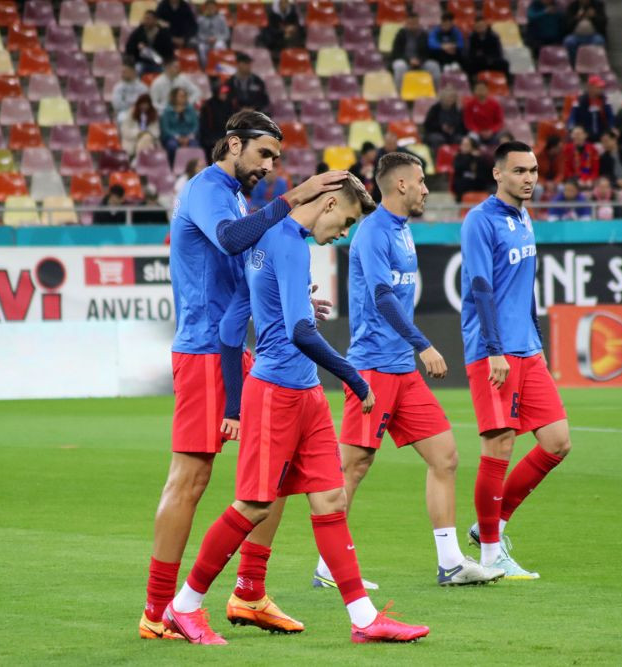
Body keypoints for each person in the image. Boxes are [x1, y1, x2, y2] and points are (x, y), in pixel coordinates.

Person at [166, 171, 431, 646]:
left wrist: (236, 394)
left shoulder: (271, 238)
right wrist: (352, 376)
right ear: (329, 205)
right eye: (346, 220)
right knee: (252, 505)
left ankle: (365, 620)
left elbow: (233, 327)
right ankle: (183, 607)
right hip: (277, 393)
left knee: (330, 500)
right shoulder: (289, 243)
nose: (345, 232)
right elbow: (299, 334)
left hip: (303, 391)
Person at [140, 109, 351, 641]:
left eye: (277, 159)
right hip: (207, 350)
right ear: (232, 144)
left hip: (240, 350)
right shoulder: (208, 189)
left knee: (275, 472)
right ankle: (157, 610)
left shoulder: (236, 198)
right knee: (190, 479)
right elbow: (233, 241)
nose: (271, 166)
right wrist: (296, 195)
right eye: (264, 154)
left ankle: (250, 591)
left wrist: (291, 300)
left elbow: (245, 271)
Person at [315, 152, 506, 590]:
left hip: (401, 370)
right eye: (420, 181)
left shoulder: (402, 232)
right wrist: (424, 344)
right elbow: (383, 298)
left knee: (445, 456)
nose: (425, 188)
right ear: (400, 185)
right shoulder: (372, 233)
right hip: (374, 368)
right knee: (353, 467)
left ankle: (451, 562)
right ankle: (329, 567)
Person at [460, 140, 572, 580]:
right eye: (520, 171)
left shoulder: (525, 218)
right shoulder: (479, 221)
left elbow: (524, 288)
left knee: (557, 441)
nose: (529, 179)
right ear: (498, 174)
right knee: (499, 446)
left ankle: (491, 524)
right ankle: (490, 554)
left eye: (534, 171)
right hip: (494, 353)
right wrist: (494, 349)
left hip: (527, 349)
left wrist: (536, 339)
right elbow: (481, 288)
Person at [390, 13, 441, 92]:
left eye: (415, 23)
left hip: (420, 62)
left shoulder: (424, 35)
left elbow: (427, 53)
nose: (412, 26)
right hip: (404, 61)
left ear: (418, 23)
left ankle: (435, 93)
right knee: (400, 67)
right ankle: (399, 95)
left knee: (434, 66)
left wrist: (420, 60)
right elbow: (396, 53)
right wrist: (409, 60)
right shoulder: (400, 34)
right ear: (406, 23)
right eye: (410, 24)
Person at [125, 10, 175, 74]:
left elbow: (169, 51)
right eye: (145, 18)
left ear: (155, 20)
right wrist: (137, 47)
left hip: (159, 64)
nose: (146, 21)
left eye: (148, 18)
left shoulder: (163, 33)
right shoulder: (138, 32)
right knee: (136, 70)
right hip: (142, 62)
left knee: (166, 73)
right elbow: (128, 48)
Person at [568, 75, 615, 141]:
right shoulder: (579, 101)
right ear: (590, 87)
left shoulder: (605, 100)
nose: (601, 89)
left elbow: (610, 118)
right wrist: (572, 128)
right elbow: (572, 117)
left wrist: (611, 128)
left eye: (601, 87)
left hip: (602, 135)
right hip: (584, 135)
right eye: (598, 87)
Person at [160, 87, 199, 166]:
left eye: (184, 96)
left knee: (194, 145)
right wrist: (178, 138)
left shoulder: (190, 109)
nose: (183, 98)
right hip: (173, 137)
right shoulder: (167, 111)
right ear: (174, 97)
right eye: (181, 96)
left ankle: (192, 169)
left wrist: (189, 137)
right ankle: (173, 167)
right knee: (172, 146)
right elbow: (165, 128)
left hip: (188, 136)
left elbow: (195, 125)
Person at [198, 83, 237, 161]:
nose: (224, 95)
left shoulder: (229, 104)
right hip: (210, 136)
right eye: (222, 93)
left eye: (225, 93)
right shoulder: (208, 105)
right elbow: (204, 126)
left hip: (225, 134)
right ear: (216, 93)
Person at [464, 17, 509, 82]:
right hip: (479, 62)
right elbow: (470, 53)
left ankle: (506, 83)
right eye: (478, 26)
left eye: (482, 26)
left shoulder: (494, 36)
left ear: (486, 26)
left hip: (492, 61)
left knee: (505, 64)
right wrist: (479, 56)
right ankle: (472, 85)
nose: (480, 28)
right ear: (475, 28)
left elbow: (498, 52)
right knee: (468, 64)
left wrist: (489, 57)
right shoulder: (471, 37)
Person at [452, 135, 494, 201]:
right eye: (462, 145)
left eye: (466, 145)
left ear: (472, 146)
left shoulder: (478, 158)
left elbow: (486, 173)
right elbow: (458, 169)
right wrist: (470, 156)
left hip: (477, 185)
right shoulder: (458, 157)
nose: (464, 147)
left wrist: (477, 158)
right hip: (463, 185)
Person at [423, 87, 465, 151]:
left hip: (453, 134)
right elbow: (428, 125)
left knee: (461, 139)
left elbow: (461, 125)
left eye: (452, 97)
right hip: (437, 132)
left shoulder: (457, 110)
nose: (449, 99)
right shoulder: (435, 109)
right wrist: (441, 127)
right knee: (437, 139)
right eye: (447, 97)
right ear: (442, 98)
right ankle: (437, 158)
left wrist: (453, 129)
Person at [463, 80, 504, 145]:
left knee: (502, 138)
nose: (480, 91)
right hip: (476, 132)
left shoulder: (495, 104)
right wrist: (479, 131)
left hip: (492, 132)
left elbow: (499, 122)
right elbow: (468, 122)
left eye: (482, 89)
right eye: (478, 89)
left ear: (487, 90)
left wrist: (491, 131)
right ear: (474, 91)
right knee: (471, 138)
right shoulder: (469, 104)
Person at [112, 58, 149, 122]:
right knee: (122, 118)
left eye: (125, 72)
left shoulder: (143, 87)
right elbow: (117, 105)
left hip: (139, 113)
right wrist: (133, 105)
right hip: (123, 113)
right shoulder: (118, 87)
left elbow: (145, 104)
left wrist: (132, 105)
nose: (122, 74)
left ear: (133, 71)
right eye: (122, 72)